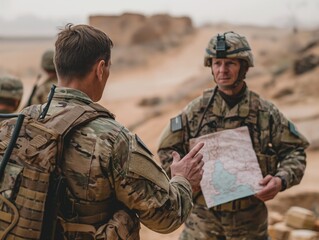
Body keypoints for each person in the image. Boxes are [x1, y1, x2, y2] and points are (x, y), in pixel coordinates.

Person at [19, 23, 205, 239]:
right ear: (100, 69)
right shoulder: (113, 139)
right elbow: (167, 215)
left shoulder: (19, 123)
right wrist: (183, 179)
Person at [157, 31, 309, 240]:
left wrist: (280, 180)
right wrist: (184, 179)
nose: (222, 70)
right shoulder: (194, 112)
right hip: (201, 225)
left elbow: (295, 151)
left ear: (244, 66)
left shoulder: (265, 112)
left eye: (230, 63)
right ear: (210, 66)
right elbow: (167, 151)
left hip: (249, 225)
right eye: (217, 63)